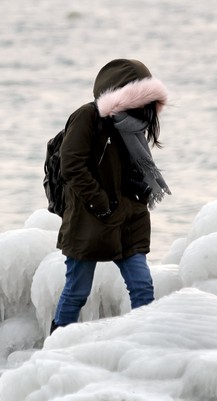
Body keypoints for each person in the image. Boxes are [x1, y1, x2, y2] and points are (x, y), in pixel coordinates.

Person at [51, 59, 171, 333]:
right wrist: (101, 204)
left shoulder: (136, 125)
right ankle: (53, 350)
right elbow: (71, 166)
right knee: (77, 292)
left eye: (148, 97)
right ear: (121, 94)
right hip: (89, 219)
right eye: (139, 96)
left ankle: (143, 347)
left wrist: (137, 196)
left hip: (130, 218)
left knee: (142, 287)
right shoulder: (88, 117)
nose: (144, 104)